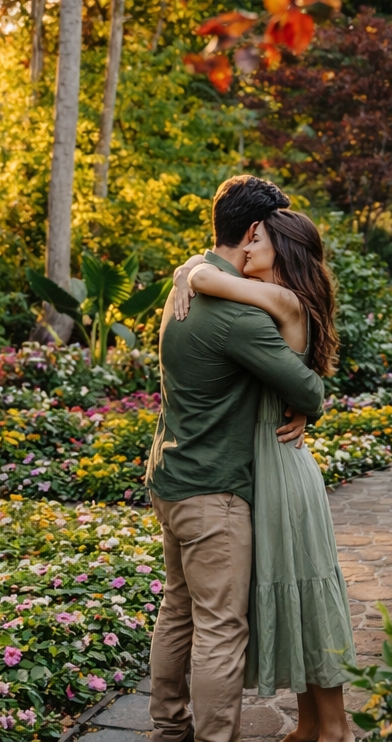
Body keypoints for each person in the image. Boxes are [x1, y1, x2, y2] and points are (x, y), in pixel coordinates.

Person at [146, 175, 326, 742]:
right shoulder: (240, 316)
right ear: (254, 230)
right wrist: (309, 408)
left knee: (177, 613)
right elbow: (309, 389)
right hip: (214, 493)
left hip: (171, 476)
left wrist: (190, 268)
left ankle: (167, 729)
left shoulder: (188, 285)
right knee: (220, 630)